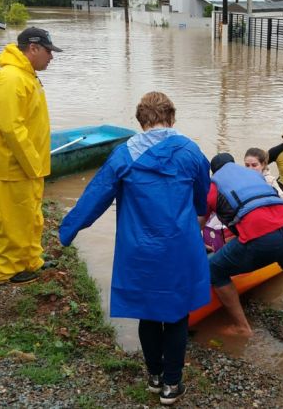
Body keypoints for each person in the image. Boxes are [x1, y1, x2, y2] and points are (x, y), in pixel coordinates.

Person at [59, 92, 210, 406]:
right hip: (179, 247)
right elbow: (201, 196)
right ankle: (172, 384)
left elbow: (94, 197)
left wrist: (66, 232)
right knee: (177, 314)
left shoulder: (122, 155)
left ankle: (154, 376)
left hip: (139, 249)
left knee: (149, 313)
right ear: (172, 117)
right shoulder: (191, 151)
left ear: (141, 121)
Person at [0, 27, 62, 285]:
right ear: (34, 48)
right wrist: (32, 164)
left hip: (28, 165)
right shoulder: (11, 78)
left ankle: (30, 261)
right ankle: (9, 270)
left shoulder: (27, 75)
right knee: (14, 220)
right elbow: (10, 128)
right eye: (48, 51)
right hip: (14, 166)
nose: (51, 57)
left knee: (30, 215)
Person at [207, 153, 283, 337]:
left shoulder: (213, 185)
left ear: (214, 172)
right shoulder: (254, 175)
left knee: (214, 269)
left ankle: (242, 327)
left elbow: (199, 222)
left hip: (261, 238)